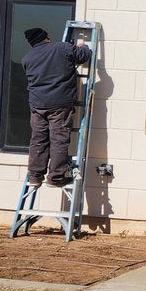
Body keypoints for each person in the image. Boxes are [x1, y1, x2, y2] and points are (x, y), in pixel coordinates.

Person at [21, 27, 90, 187]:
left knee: (38, 140)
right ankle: (56, 178)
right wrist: (82, 46)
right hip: (59, 104)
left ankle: (34, 176)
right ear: (47, 37)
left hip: (37, 105)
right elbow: (83, 56)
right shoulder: (62, 47)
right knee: (58, 139)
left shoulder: (27, 59)